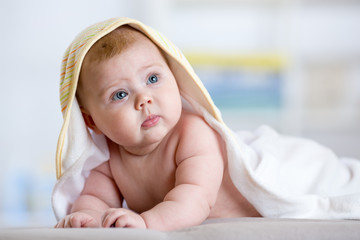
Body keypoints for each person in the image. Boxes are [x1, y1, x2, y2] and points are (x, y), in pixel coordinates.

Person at [53, 18, 360, 231]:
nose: (144, 99)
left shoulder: (192, 134)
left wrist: (147, 223)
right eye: (120, 94)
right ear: (92, 122)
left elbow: (194, 200)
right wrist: (86, 218)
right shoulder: (109, 159)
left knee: (325, 173)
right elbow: (94, 199)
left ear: (176, 76)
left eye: (153, 78)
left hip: (274, 162)